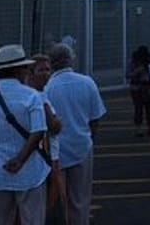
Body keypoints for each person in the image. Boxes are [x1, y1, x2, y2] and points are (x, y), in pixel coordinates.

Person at [0, 44, 51, 223]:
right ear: (20, 70)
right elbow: (39, 131)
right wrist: (21, 159)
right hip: (30, 171)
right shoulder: (31, 95)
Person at [44, 42, 106, 225]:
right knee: (80, 198)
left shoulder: (48, 87)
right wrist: (90, 137)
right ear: (70, 59)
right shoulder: (87, 82)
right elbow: (95, 118)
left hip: (56, 150)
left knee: (57, 199)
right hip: (82, 145)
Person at [127, 46, 150, 137]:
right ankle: (138, 129)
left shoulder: (149, 63)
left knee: (149, 109)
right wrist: (137, 71)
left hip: (146, 87)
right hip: (137, 88)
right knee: (138, 109)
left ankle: (149, 128)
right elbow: (128, 75)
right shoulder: (133, 63)